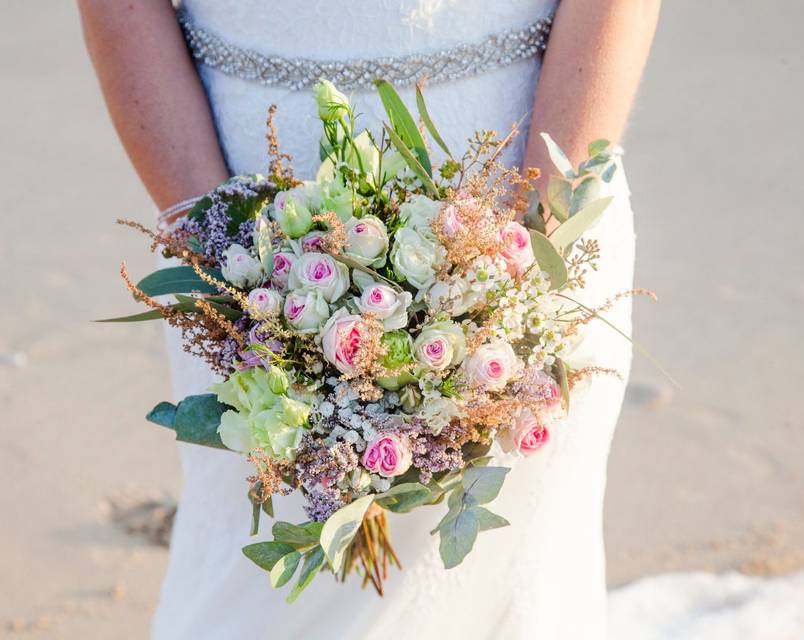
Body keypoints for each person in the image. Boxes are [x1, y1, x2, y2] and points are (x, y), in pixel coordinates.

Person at [79, 1, 659, 637]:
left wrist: (530, 259)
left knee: (515, 578)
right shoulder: (233, 262)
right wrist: (222, 253)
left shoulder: (536, 247)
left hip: (530, 203)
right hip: (246, 239)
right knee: (257, 576)